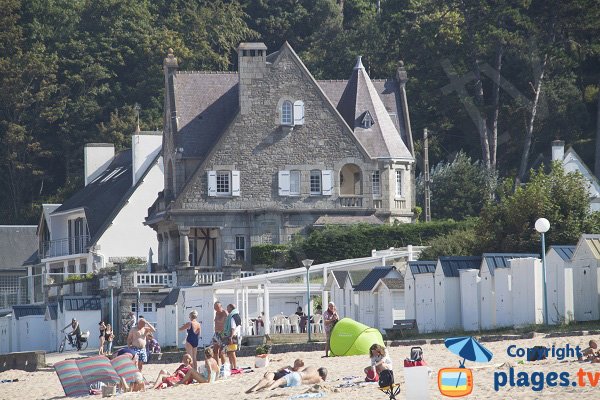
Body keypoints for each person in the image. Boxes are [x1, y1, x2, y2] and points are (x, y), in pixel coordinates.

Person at [224, 303, 242, 370]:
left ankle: (234, 366)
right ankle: (232, 366)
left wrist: (230, 337)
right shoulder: (237, 315)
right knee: (229, 352)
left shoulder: (232, 316)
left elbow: (233, 327)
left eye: (228, 308)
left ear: (231, 308)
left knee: (232, 352)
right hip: (235, 335)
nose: (227, 309)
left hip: (232, 335)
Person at [212, 301, 228, 366]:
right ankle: (217, 366)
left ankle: (224, 366)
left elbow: (228, 323)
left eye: (217, 307)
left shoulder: (224, 313)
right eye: (215, 307)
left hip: (222, 334)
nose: (216, 308)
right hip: (216, 333)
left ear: (221, 306)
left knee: (222, 352)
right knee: (215, 350)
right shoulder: (216, 313)